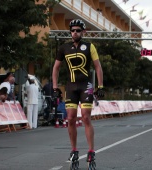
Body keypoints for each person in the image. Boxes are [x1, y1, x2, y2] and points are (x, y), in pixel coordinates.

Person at [52, 19, 104, 164]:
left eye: (78, 30)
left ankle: (91, 151)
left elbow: (98, 67)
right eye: (73, 30)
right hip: (71, 87)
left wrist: (100, 86)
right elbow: (56, 68)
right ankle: (74, 150)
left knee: (86, 117)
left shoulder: (89, 46)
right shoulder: (64, 48)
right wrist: (55, 87)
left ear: (83, 32)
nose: (75, 33)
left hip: (86, 86)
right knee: (71, 118)